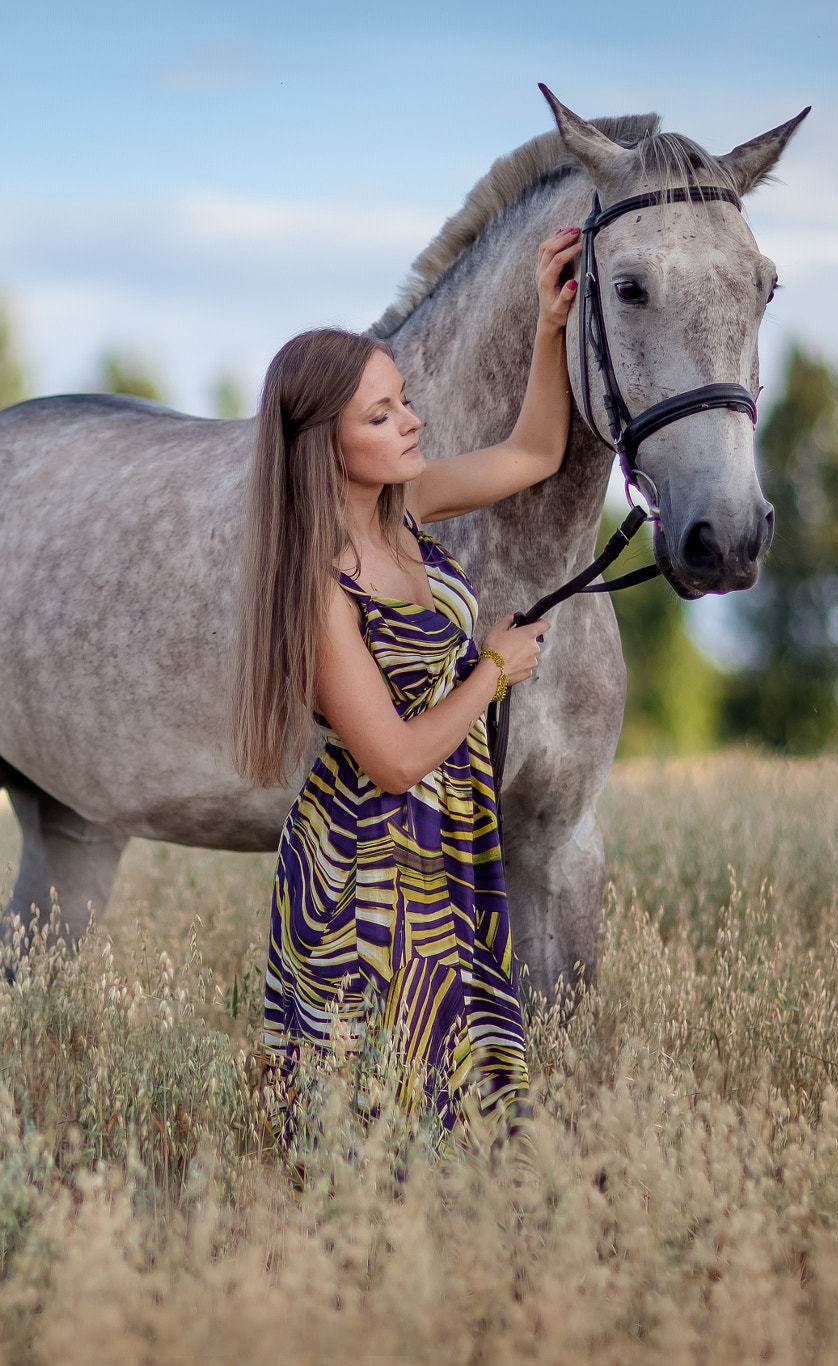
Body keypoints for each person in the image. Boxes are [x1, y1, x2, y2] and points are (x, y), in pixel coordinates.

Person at [233, 227, 582, 1142]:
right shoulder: (319, 582)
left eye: (403, 400)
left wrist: (550, 327)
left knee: (465, 1089)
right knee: (377, 1116)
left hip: (448, 839)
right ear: (324, 446)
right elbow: (389, 758)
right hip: (365, 869)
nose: (409, 422)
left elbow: (533, 453)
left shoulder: (407, 509)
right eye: (379, 417)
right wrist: (495, 671)